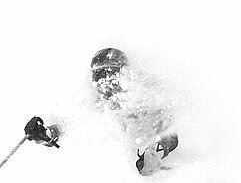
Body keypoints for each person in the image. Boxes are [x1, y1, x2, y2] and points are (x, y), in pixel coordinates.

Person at [24, 48, 178, 176]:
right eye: (98, 76)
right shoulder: (98, 106)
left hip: (161, 178)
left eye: (110, 75)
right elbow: (69, 128)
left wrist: (157, 151)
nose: (104, 83)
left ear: (125, 75)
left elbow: (172, 134)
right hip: (116, 178)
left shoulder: (143, 99)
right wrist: (45, 133)